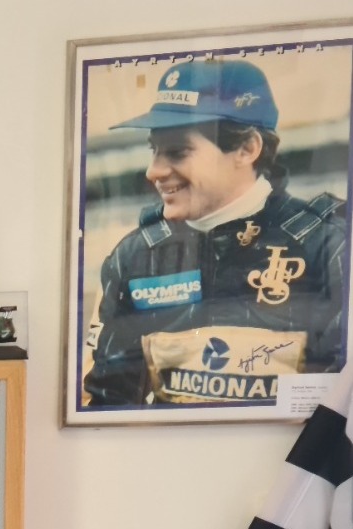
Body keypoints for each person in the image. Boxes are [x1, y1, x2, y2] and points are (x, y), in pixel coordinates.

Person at [84, 60, 349, 406]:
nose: (154, 171)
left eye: (177, 151)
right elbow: (106, 402)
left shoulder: (328, 245)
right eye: (154, 150)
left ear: (247, 149)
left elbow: (341, 406)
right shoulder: (134, 256)